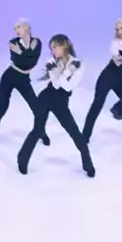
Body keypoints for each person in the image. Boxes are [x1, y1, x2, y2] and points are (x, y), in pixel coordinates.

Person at [17, 34, 95, 177]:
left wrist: (62, 73)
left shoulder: (78, 63)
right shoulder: (51, 61)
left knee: (75, 133)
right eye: (51, 48)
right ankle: (22, 159)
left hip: (61, 103)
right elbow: (57, 84)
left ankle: (88, 165)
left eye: (55, 47)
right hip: (45, 97)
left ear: (64, 45)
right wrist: (68, 72)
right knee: (37, 129)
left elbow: (68, 87)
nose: (53, 51)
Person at [0, 19, 50, 145]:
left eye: (18, 27)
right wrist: (26, 54)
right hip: (9, 76)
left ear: (26, 27)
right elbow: (21, 61)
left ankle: (41, 132)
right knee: (3, 105)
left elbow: (32, 61)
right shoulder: (13, 42)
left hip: (23, 79)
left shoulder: (37, 42)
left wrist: (21, 52)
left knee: (36, 107)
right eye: (15, 28)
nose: (16, 30)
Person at [81, 18, 122, 145]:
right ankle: (84, 136)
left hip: (119, 79)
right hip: (107, 77)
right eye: (117, 29)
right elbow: (117, 61)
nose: (119, 31)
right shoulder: (115, 42)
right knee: (97, 104)